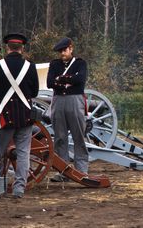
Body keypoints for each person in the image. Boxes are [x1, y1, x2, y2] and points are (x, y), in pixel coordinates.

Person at [0, 33, 39, 199]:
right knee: (23, 152)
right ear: (22, 48)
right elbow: (34, 92)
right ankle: (19, 189)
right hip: (26, 115)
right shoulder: (30, 66)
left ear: (7, 48)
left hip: (6, 115)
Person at [47, 37, 89, 182]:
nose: (62, 53)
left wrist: (61, 79)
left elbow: (80, 80)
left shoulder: (80, 63)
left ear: (71, 48)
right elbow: (49, 82)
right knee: (60, 137)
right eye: (60, 51)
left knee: (79, 136)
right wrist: (69, 79)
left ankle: (81, 170)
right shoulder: (55, 64)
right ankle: (63, 171)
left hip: (75, 100)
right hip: (58, 101)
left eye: (65, 50)